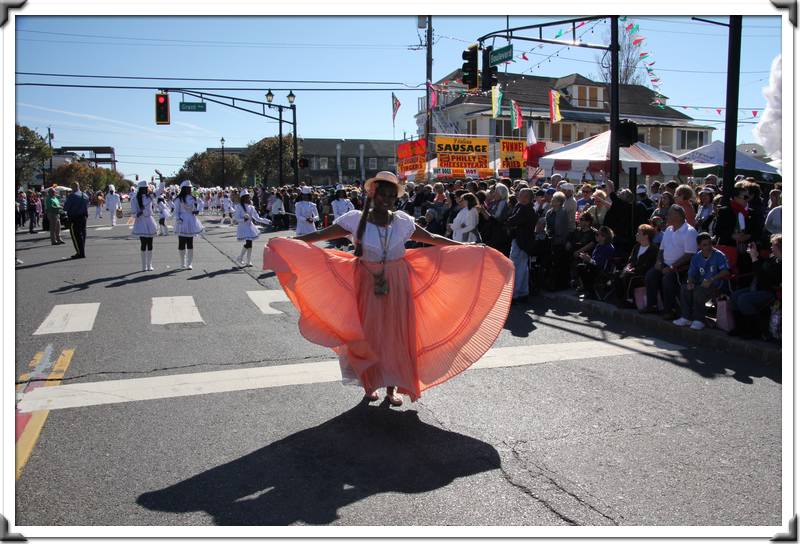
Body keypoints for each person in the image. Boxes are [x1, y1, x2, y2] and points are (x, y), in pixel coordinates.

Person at [263, 171, 514, 407]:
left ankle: (392, 388)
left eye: (392, 196)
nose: (387, 199)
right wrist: (288, 242)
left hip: (398, 283)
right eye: (383, 194)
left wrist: (469, 249)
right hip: (367, 282)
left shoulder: (403, 222)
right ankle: (369, 382)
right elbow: (319, 235)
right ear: (373, 194)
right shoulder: (354, 220)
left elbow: (435, 240)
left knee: (397, 335)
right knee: (370, 334)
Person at [642, 205, 698, 319]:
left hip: (681, 267)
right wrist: (658, 261)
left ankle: (670, 310)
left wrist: (673, 266)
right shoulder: (668, 229)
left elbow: (690, 255)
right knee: (650, 275)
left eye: (670, 214)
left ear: (678, 216)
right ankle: (652, 305)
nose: (667, 216)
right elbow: (661, 249)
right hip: (666, 263)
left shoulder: (689, 231)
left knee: (667, 278)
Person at [673, 232, 730, 330]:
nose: (708, 247)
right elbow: (691, 273)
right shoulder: (696, 257)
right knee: (685, 288)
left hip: (716, 285)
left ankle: (699, 320)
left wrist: (711, 279)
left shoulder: (719, 255)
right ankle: (686, 317)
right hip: (700, 284)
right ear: (699, 246)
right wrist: (690, 282)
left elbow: (725, 271)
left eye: (710, 244)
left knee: (699, 291)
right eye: (704, 245)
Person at [728, 235, 781, 339]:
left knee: (744, 300)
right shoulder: (773, 259)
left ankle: (753, 330)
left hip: (771, 291)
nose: (771, 248)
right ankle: (740, 327)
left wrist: (754, 258)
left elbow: (765, 279)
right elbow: (761, 269)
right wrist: (756, 255)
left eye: (773, 246)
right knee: (734, 296)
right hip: (758, 287)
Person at [506, 188, 537, 303]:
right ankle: (523, 292)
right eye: (520, 194)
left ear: (527, 198)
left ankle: (515, 294)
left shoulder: (525, 209)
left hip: (522, 242)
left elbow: (512, 221)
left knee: (517, 268)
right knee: (522, 268)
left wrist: (509, 222)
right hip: (523, 241)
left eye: (523, 195)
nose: (519, 196)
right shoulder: (523, 207)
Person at [616, 224, 658, 307]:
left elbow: (648, 265)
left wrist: (633, 270)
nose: (636, 235)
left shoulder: (653, 248)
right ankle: (621, 299)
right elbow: (631, 260)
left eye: (638, 233)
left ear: (646, 236)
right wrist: (628, 267)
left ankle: (630, 300)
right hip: (632, 270)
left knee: (630, 277)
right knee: (617, 274)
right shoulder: (636, 247)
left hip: (643, 273)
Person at [575, 226, 616, 299]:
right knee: (580, 266)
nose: (596, 235)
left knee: (586, 267)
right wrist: (587, 259)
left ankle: (591, 293)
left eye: (598, 234)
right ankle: (588, 290)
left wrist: (590, 260)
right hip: (595, 267)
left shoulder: (608, 248)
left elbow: (600, 264)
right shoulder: (598, 246)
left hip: (603, 271)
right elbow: (594, 260)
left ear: (604, 237)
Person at [235, 189, 271, 266]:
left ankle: (247, 261)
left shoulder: (251, 207)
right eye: (246, 197)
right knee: (248, 243)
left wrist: (267, 221)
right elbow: (237, 218)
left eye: (248, 197)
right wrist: (243, 219)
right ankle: (240, 257)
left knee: (250, 243)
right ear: (242, 198)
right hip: (243, 227)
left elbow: (257, 218)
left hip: (250, 227)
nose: (248, 198)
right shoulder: (238, 207)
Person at [173, 180, 204, 270]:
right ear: (184, 189)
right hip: (182, 221)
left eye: (190, 188)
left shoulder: (193, 198)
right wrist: (178, 219)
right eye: (188, 188)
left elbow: (201, 203)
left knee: (190, 242)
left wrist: (198, 210)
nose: (190, 189)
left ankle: (189, 263)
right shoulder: (179, 199)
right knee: (181, 242)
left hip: (191, 220)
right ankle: (182, 262)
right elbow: (176, 211)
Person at [544, 191, 571, 290]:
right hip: (550, 240)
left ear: (559, 202)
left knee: (559, 263)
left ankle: (558, 285)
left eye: (554, 199)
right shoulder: (549, 212)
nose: (551, 200)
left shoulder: (563, 213)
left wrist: (565, 241)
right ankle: (550, 283)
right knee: (551, 263)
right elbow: (547, 225)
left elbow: (566, 228)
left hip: (560, 241)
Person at [131, 180, 159, 271]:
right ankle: (143, 266)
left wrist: (161, 179)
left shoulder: (149, 197)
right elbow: (134, 214)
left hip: (150, 221)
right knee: (143, 244)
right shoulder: (135, 199)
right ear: (141, 189)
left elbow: (160, 191)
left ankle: (149, 265)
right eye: (145, 188)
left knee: (150, 244)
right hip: (141, 222)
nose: (147, 189)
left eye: (147, 188)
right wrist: (140, 212)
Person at [63, 182, 90, 259]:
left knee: (76, 236)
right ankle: (81, 251)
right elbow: (87, 204)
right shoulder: (85, 195)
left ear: (73, 187)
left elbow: (66, 207)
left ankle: (80, 252)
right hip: (83, 217)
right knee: (83, 234)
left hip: (75, 217)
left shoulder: (72, 196)